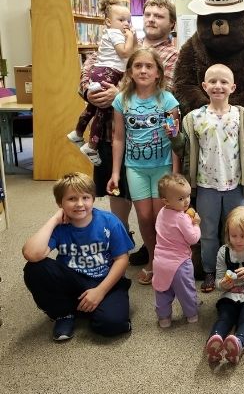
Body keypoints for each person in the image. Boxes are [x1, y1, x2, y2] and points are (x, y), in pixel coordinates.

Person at [79, 0, 178, 267]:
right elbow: (92, 65)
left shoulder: (172, 55)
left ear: (171, 24)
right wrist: (89, 90)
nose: (151, 19)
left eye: (159, 16)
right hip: (112, 134)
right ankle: (122, 246)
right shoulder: (122, 40)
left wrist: (118, 93)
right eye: (147, 14)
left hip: (155, 146)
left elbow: (166, 91)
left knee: (155, 207)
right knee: (120, 195)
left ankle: (159, 254)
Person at [170, 64, 244, 293]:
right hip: (206, 184)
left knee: (239, 229)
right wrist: (173, 136)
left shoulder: (242, 115)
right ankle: (210, 271)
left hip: (236, 184)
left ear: (233, 87)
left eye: (223, 82)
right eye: (212, 81)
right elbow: (184, 149)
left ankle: (239, 269)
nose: (218, 86)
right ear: (204, 86)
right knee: (208, 232)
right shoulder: (194, 117)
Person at [22, 172, 133, 341]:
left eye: (85, 198)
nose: (80, 204)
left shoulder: (109, 221)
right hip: (72, 279)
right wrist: (54, 219)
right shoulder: (60, 226)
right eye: (72, 199)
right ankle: (64, 314)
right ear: (60, 203)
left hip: (105, 280)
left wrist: (100, 292)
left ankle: (87, 308)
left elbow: (122, 259)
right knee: (34, 268)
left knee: (112, 325)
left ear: (93, 199)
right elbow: (31, 254)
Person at [107, 48, 180, 285]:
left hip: (163, 167)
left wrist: (176, 174)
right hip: (135, 168)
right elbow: (118, 137)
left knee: (161, 216)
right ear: (130, 71)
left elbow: (176, 138)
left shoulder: (168, 100)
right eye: (138, 66)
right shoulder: (122, 100)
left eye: (149, 66)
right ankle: (152, 259)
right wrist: (116, 173)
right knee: (144, 216)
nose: (143, 70)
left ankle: (165, 260)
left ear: (158, 72)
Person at [68, 0, 137, 166]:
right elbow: (124, 53)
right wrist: (131, 37)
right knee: (103, 108)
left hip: (102, 72)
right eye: (121, 20)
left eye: (128, 20)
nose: (126, 24)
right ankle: (91, 145)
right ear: (108, 21)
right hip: (108, 73)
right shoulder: (116, 34)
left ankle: (77, 133)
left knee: (93, 107)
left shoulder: (110, 34)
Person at [205, 206, 244, 365]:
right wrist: (223, 284)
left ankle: (238, 344)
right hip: (230, 295)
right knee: (225, 316)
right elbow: (218, 283)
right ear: (228, 233)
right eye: (233, 235)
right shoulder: (224, 252)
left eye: (243, 236)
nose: (238, 240)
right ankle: (214, 341)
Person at [153, 173, 201, 328]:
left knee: (162, 291)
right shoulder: (182, 218)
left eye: (187, 196)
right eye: (180, 199)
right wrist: (196, 224)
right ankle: (191, 315)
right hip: (180, 263)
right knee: (186, 291)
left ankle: (164, 319)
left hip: (160, 261)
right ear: (166, 200)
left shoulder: (161, 213)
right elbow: (193, 239)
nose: (186, 201)